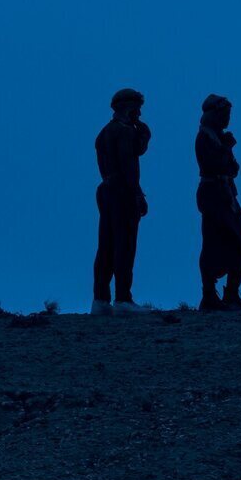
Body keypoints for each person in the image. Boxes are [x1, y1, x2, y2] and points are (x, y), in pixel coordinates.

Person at [92, 87, 153, 314]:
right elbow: (130, 163)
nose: (139, 113)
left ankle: (100, 300)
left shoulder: (104, 132)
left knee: (106, 245)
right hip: (122, 193)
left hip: (106, 190)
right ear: (129, 107)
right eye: (137, 108)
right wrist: (137, 194)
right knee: (125, 245)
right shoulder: (125, 132)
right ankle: (123, 299)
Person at [195, 94, 241, 311]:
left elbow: (232, 169)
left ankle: (231, 293)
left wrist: (226, 150)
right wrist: (227, 149)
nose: (227, 119)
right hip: (213, 194)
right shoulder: (205, 137)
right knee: (219, 242)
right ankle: (210, 295)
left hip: (225, 193)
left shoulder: (218, 137)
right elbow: (216, 165)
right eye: (225, 114)